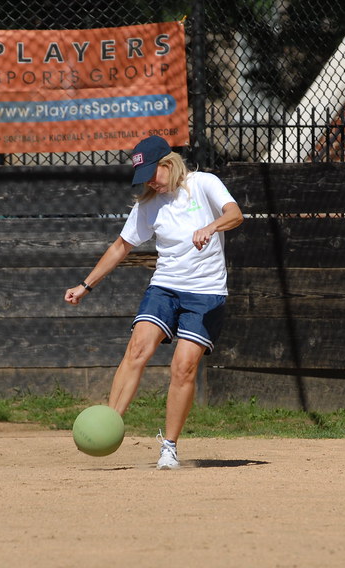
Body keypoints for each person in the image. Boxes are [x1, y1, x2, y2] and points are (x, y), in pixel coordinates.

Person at [64, 135, 243, 469]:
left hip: (205, 292)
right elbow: (120, 246)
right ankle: (107, 427)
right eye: (143, 177)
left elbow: (235, 214)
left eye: (152, 173)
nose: (149, 182)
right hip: (165, 287)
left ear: (168, 163)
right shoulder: (148, 204)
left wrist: (211, 226)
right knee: (137, 349)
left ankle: (169, 447)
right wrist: (85, 285)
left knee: (183, 367)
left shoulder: (203, 184)